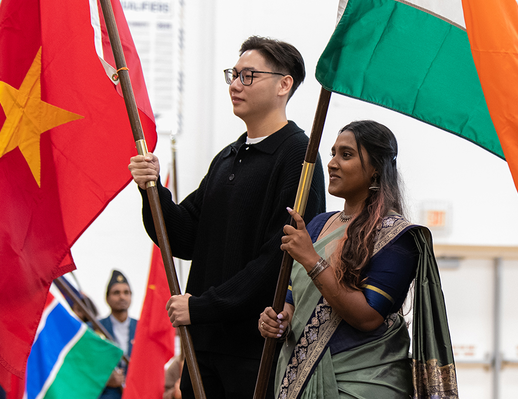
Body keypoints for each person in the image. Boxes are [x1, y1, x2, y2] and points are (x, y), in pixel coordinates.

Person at [130, 36, 326, 399]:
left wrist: (205, 306)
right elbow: (184, 236)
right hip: (202, 343)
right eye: (233, 75)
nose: (235, 85)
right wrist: (152, 189)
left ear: (284, 84)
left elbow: (279, 258)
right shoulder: (227, 157)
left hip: (255, 348)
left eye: (248, 75)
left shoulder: (299, 155)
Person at [258, 120, 458, 399]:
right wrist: (278, 321)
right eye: (332, 153)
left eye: (346, 155)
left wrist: (312, 260)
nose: (332, 163)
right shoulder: (316, 226)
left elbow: (367, 317)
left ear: (376, 168)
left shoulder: (396, 237)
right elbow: (293, 302)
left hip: (364, 383)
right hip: (301, 376)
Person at [99, 270, 137, 399]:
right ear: (107, 298)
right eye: (116, 293)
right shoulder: (95, 328)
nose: (122, 297)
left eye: (126, 292)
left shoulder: (142, 329)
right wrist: (105, 379)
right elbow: (85, 367)